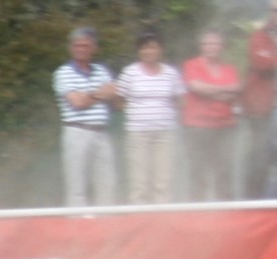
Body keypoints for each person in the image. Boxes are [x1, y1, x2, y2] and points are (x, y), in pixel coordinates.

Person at [55, 28, 120, 208]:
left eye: (85, 46)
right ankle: (77, 220)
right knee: (77, 184)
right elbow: (77, 102)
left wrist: (105, 94)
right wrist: (100, 94)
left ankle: (105, 219)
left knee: (107, 181)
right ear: (71, 47)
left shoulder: (102, 71)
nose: (81, 49)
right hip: (77, 130)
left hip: (101, 132)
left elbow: (116, 101)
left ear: (94, 48)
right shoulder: (63, 73)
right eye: (77, 45)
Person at [118, 31, 184, 206]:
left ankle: (162, 216)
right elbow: (118, 99)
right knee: (139, 181)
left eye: (152, 47)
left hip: (165, 133)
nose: (148, 51)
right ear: (139, 51)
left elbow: (180, 99)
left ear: (160, 50)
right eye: (144, 48)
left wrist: (165, 112)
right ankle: (139, 215)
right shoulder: (130, 72)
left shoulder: (171, 73)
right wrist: (133, 112)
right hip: (138, 133)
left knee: (163, 179)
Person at [180, 30, 243, 202]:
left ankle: (227, 210)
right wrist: (224, 89)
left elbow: (235, 92)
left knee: (224, 172)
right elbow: (196, 87)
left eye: (215, 43)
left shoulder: (230, 69)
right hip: (197, 128)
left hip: (225, 127)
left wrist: (209, 91)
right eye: (208, 44)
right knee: (198, 172)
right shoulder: (191, 65)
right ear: (201, 46)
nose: (211, 47)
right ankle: (197, 211)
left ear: (222, 47)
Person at [247, 0, 277, 199]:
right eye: (274, 10)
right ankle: (255, 203)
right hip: (263, 110)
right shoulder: (259, 36)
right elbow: (260, 63)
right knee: (260, 159)